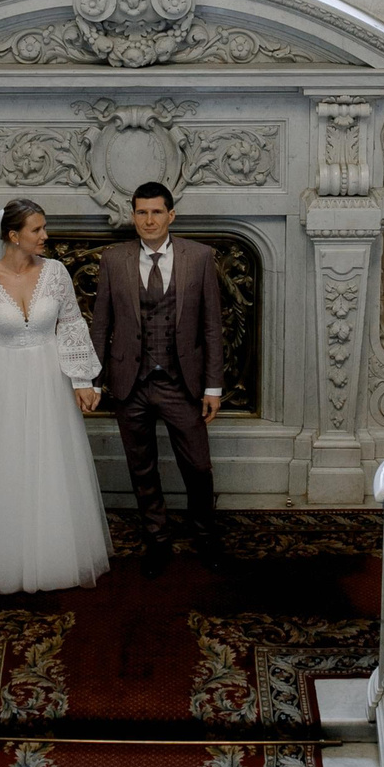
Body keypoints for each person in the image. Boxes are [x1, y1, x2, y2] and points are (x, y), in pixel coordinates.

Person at [0, 197, 110, 594]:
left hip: (49, 377)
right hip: (2, 378)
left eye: (44, 227)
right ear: (13, 236)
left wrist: (82, 381)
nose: (45, 235)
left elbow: (72, 324)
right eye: (36, 229)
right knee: (7, 464)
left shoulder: (56, 273)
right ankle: (8, 558)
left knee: (51, 461)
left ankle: (55, 556)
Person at [90, 182, 226, 578]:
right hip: (129, 380)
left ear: (171, 215)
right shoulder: (113, 260)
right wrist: (94, 381)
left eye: (156, 212)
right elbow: (101, 326)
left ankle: (204, 536)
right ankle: (157, 538)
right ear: (133, 216)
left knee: (198, 467)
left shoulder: (198, 257)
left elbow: (212, 327)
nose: (148, 220)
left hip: (181, 382)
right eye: (141, 213)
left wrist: (212, 386)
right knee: (142, 466)